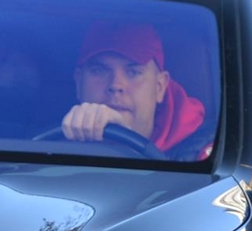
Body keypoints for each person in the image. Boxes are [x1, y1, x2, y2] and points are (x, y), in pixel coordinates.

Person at [60, 18, 209, 157]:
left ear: (160, 87)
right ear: (79, 83)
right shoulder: (47, 150)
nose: (115, 85)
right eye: (99, 70)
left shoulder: (201, 155)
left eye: (133, 72)